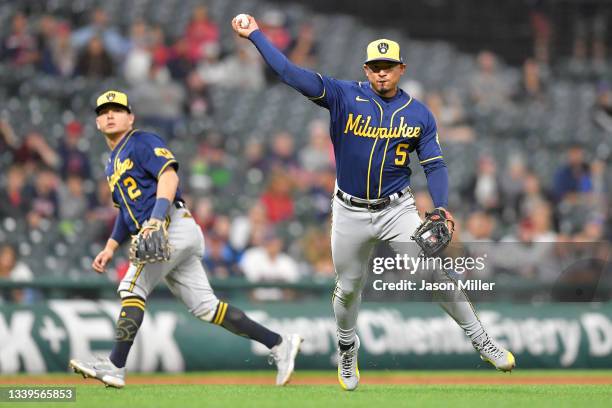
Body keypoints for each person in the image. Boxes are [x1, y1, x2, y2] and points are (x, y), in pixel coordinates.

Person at [233, 15, 515, 391]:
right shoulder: (342, 94)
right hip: (348, 210)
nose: (382, 74)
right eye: (375, 67)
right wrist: (255, 35)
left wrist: (442, 205)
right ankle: (347, 347)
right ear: (366, 69)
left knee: (430, 271)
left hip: (396, 208)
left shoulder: (418, 113)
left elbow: (434, 164)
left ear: (401, 69)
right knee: (348, 288)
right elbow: (287, 71)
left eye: (389, 67)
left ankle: (482, 340)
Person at [68, 90, 302, 388]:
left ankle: (115, 365)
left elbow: (169, 177)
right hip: (168, 230)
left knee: (132, 286)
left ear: (131, 117)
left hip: (169, 224)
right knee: (207, 307)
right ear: (98, 123)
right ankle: (280, 343)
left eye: (117, 109)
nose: (110, 115)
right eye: (103, 112)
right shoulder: (111, 162)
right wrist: (111, 246)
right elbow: (125, 213)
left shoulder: (141, 140)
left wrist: (156, 221)